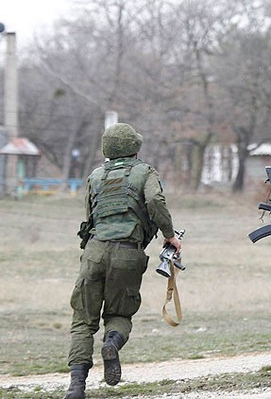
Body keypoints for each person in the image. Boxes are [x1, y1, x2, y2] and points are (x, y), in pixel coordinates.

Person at [64, 123, 180, 399]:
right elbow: (154, 200)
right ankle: (112, 343)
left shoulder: (95, 176)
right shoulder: (145, 172)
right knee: (119, 314)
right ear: (134, 147)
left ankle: (76, 386)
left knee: (83, 320)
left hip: (94, 251)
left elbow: (89, 216)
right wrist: (169, 235)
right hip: (127, 251)